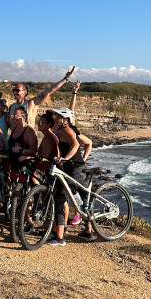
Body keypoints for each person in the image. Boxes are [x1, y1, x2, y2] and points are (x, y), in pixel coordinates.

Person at [46, 107, 83, 246]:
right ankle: (60, 236)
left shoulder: (67, 130)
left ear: (66, 119)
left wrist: (65, 158)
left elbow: (75, 145)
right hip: (66, 168)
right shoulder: (58, 130)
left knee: (65, 198)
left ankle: (61, 237)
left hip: (75, 168)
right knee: (60, 198)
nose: (55, 118)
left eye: (58, 117)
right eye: (56, 116)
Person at [9, 66, 76, 129]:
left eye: (17, 90)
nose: (15, 92)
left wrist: (65, 78)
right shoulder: (11, 107)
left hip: (27, 139)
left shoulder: (32, 103)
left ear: (25, 92)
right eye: (14, 90)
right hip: (14, 138)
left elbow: (50, 91)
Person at [67, 80, 94, 228]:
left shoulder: (74, 132)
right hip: (68, 165)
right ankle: (86, 227)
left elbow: (89, 142)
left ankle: (80, 218)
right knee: (77, 193)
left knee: (77, 192)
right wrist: (74, 92)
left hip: (77, 166)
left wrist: (84, 158)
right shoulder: (63, 131)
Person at [7, 106, 38, 181]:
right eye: (12, 116)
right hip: (14, 164)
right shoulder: (14, 128)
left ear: (24, 117)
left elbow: (34, 150)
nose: (13, 118)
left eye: (16, 116)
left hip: (25, 165)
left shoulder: (29, 131)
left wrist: (21, 150)